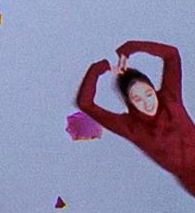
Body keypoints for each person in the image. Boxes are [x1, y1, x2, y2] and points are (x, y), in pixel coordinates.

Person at [77, 40, 195, 196]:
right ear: (130, 102)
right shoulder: (130, 127)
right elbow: (85, 103)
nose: (147, 103)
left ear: (154, 90)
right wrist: (99, 68)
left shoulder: (170, 99)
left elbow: (171, 54)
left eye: (148, 94)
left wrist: (131, 47)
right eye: (137, 99)